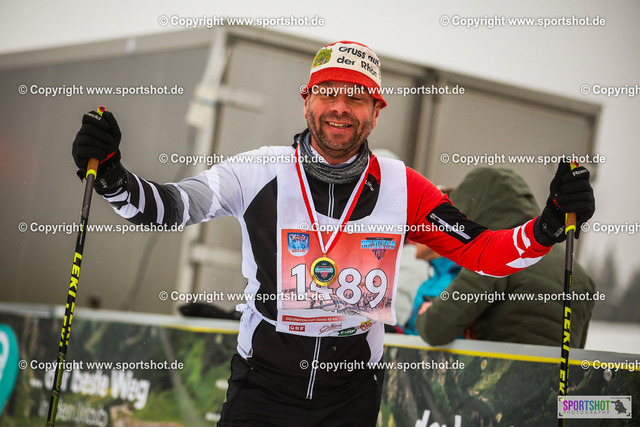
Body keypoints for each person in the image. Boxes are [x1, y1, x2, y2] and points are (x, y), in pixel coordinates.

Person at [71, 41, 595, 426]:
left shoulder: (403, 189)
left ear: (375, 112)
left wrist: (548, 225)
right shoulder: (258, 171)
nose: (340, 106)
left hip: (349, 398)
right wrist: (114, 177)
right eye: (328, 92)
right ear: (307, 101)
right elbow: (171, 207)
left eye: (357, 96)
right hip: (263, 389)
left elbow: (485, 253)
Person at [415, 168, 596, 347]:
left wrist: (426, 312)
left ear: (477, 210)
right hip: (557, 367)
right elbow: (576, 350)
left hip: (506, 366)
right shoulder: (580, 275)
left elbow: (435, 329)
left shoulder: (498, 256)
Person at [403, 242, 461, 335]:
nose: (414, 239)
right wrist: (397, 330)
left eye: (421, 234)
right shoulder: (431, 279)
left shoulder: (461, 279)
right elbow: (415, 334)